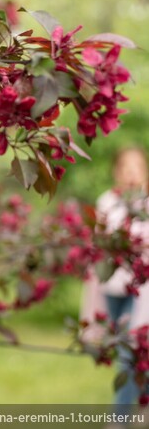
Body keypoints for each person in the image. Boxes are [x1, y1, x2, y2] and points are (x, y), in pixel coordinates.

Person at [81, 147, 149, 415]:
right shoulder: (107, 201)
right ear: (117, 171)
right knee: (130, 349)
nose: (131, 172)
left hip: (140, 290)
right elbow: (99, 244)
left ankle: (118, 419)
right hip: (112, 288)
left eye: (137, 166)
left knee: (128, 351)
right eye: (126, 166)